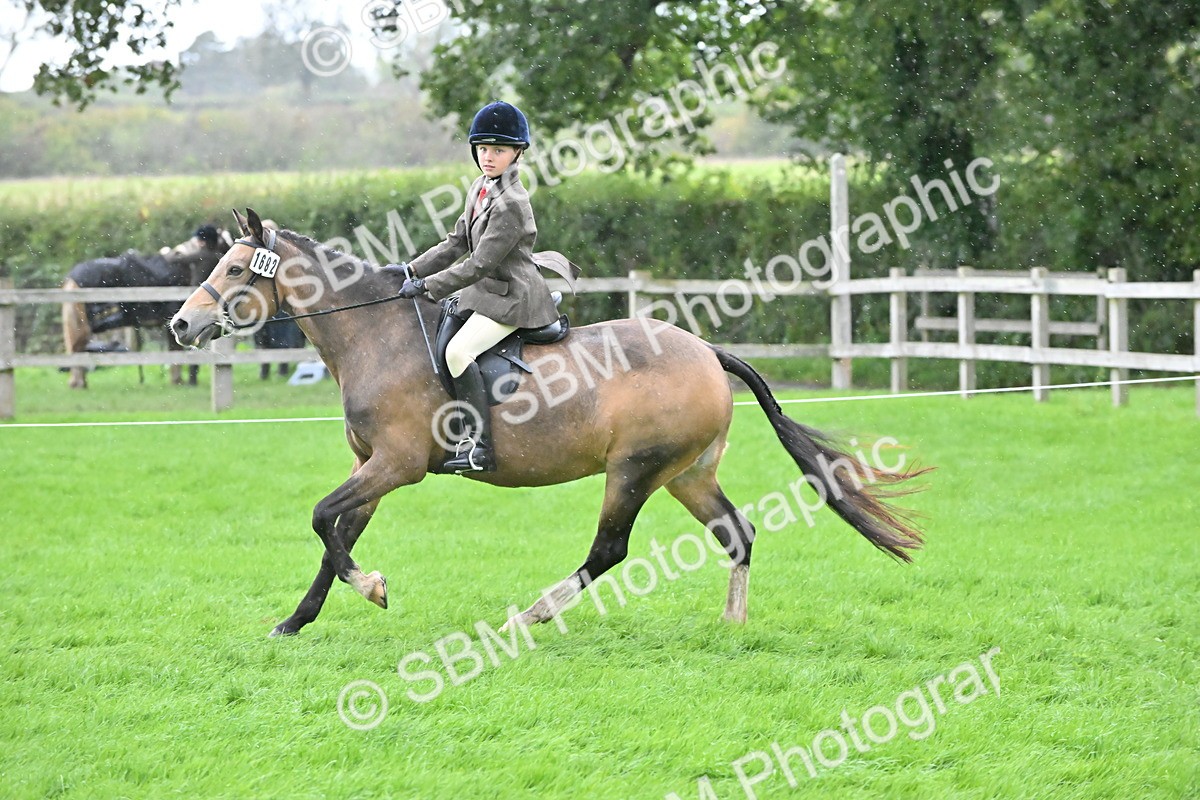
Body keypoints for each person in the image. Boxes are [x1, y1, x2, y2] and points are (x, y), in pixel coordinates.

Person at [395, 101, 568, 474]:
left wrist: (427, 286)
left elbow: (479, 264)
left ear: (517, 153)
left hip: (512, 298)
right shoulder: (481, 187)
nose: (488, 157)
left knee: (458, 352)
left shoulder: (512, 204)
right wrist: (408, 269)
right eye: (483, 149)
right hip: (487, 291)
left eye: (499, 150)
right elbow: (457, 241)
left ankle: (480, 446)